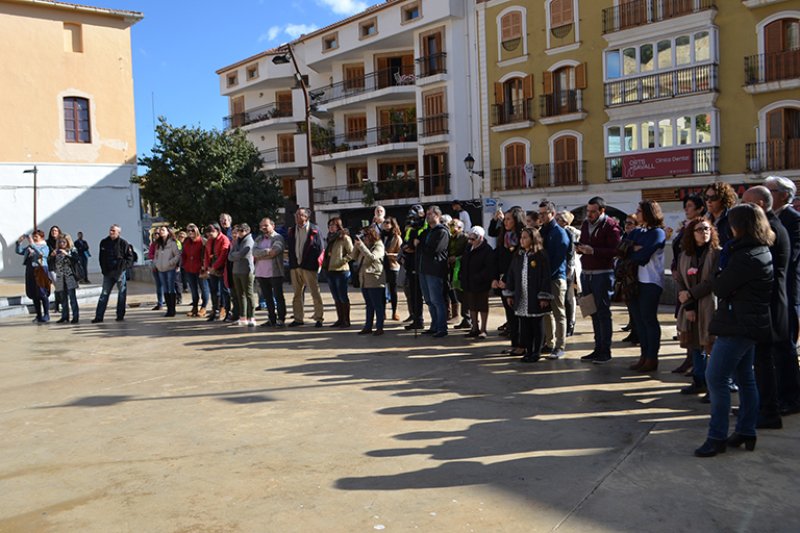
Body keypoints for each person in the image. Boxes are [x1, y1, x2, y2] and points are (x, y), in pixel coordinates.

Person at [695, 204, 774, 457]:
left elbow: (720, 287)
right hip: (747, 322)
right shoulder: (758, 249)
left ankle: (716, 436)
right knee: (745, 378)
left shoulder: (745, 256)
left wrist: (719, 273)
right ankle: (746, 431)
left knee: (716, 378)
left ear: (738, 226)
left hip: (738, 324)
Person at [742, 186, 790, 430]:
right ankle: (762, 406)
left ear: (759, 204)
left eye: (745, 203)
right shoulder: (770, 226)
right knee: (761, 360)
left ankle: (769, 411)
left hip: (769, 305)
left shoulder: (771, 230)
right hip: (766, 304)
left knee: (765, 361)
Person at [764, 175, 800, 416]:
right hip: (771, 292)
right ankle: (774, 395)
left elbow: (789, 258)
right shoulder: (771, 219)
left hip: (787, 291)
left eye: (771, 191)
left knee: (785, 346)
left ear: (784, 195)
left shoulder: (793, 220)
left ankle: (792, 397)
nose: (767, 195)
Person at [675, 218, 720, 395]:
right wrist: (688, 305)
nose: (704, 233)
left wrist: (690, 294)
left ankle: (713, 386)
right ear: (692, 234)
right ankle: (699, 381)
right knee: (695, 345)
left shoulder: (717, 253)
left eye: (707, 229)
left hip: (710, 305)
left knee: (711, 345)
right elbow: (680, 281)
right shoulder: (685, 255)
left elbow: (712, 281)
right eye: (699, 230)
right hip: (691, 307)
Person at [577, 197, 622, 364]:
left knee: (603, 313)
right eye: (588, 211)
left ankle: (605, 350)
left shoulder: (610, 226)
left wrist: (594, 251)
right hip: (586, 273)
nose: (589, 214)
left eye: (593, 211)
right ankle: (597, 348)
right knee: (593, 312)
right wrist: (580, 248)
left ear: (602, 210)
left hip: (602, 274)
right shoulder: (585, 224)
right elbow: (584, 242)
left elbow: (616, 250)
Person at [627, 200, 666, 373]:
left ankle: (652, 357)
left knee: (649, 320)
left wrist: (635, 249)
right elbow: (622, 249)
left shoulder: (658, 232)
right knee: (639, 321)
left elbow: (643, 256)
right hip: (635, 281)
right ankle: (643, 355)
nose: (636, 213)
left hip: (651, 281)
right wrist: (633, 248)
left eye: (639, 210)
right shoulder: (638, 231)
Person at [504, 227, 553, 362]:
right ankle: (528, 350)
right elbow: (511, 274)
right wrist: (510, 293)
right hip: (522, 296)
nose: (522, 240)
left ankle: (536, 352)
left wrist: (543, 296)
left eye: (525, 237)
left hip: (534, 296)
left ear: (533, 239)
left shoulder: (540, 255)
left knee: (536, 325)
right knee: (525, 325)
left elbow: (545, 276)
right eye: (521, 237)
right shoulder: (518, 255)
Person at [670, 194, 707, 373]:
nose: (686, 209)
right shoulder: (685, 227)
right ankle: (690, 359)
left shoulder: (703, 227)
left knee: (698, 324)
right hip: (683, 276)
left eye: (690, 206)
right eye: (685, 206)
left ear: (700, 208)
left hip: (697, 284)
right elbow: (678, 250)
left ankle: (697, 363)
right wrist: (675, 267)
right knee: (686, 321)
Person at [538, 200, 570, 359]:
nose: (541, 217)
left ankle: (560, 346)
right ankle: (548, 343)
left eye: (544, 214)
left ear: (553, 213)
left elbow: (559, 259)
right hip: (543, 278)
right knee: (545, 312)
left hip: (556, 278)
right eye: (540, 214)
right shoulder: (541, 231)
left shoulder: (559, 233)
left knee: (559, 313)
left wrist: (547, 276)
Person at [493, 206, 526, 355]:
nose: (505, 222)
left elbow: (516, 263)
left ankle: (522, 345)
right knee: (510, 315)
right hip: (503, 281)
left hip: (516, 281)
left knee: (519, 315)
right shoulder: (504, 236)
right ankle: (514, 344)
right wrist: (495, 278)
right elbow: (498, 257)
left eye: (508, 219)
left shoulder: (522, 238)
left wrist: (507, 279)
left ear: (516, 220)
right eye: (504, 219)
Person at [287, 207, 324, 327]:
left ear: (306, 217)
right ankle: (298, 318)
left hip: (309, 267)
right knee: (297, 294)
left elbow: (320, 248)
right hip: (295, 266)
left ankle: (319, 318)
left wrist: (317, 265)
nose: (297, 217)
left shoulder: (314, 230)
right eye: (296, 214)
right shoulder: (292, 230)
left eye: (300, 215)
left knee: (315, 293)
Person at [416, 205, 450, 337]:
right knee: (429, 300)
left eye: (430, 214)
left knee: (437, 300)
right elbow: (417, 242)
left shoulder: (442, 232)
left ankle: (442, 328)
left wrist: (420, 245)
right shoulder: (427, 231)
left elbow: (434, 250)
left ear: (437, 215)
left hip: (435, 270)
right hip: (423, 269)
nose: (427, 216)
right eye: (427, 214)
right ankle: (434, 325)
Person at [92, 224, 133, 323]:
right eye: (110, 230)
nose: (111, 232)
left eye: (113, 231)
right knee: (104, 294)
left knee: (122, 294)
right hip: (108, 273)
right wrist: (104, 270)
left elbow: (130, 258)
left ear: (118, 232)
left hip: (119, 273)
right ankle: (99, 316)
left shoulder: (123, 243)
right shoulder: (104, 242)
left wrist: (122, 267)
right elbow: (101, 258)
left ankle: (120, 315)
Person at [459, 226, 495, 339]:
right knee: (472, 306)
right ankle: (474, 327)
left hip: (481, 283)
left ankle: (483, 329)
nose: (471, 241)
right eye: (469, 238)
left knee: (482, 306)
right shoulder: (468, 248)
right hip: (469, 282)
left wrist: (478, 277)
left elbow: (489, 268)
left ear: (480, 238)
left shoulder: (487, 250)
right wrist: (462, 275)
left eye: (473, 239)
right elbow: (464, 262)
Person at [253, 217, 287, 328]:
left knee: (278, 297)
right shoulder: (259, 239)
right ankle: (271, 319)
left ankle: (281, 319)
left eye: (266, 225)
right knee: (267, 298)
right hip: (261, 273)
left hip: (275, 273)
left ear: (273, 226)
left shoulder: (278, 237)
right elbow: (254, 252)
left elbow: (275, 252)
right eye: (261, 226)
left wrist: (261, 255)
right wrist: (267, 252)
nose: (264, 228)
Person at [352, 226, 386, 335]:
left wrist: (361, 246)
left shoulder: (379, 245)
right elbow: (353, 256)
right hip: (364, 279)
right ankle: (368, 326)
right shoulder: (364, 246)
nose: (364, 238)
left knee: (377, 305)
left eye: (365, 236)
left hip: (375, 279)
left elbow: (372, 257)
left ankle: (379, 327)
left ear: (371, 235)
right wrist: (356, 245)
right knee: (369, 305)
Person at [323, 217, 354, 328]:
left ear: (338, 226)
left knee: (342, 296)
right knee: (336, 296)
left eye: (333, 225)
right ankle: (340, 319)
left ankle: (346, 320)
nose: (331, 227)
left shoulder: (344, 237)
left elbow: (352, 253)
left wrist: (341, 261)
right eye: (329, 225)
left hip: (341, 270)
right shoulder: (329, 238)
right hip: (330, 270)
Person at [401, 204, 427, 330]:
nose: (412, 220)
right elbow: (405, 241)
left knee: (425, 295)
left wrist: (412, 246)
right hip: (410, 263)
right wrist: (405, 247)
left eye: (414, 217)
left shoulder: (425, 226)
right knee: (413, 294)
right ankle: (417, 319)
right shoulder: (409, 228)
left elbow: (421, 242)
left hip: (421, 263)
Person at [16, 230, 51, 323]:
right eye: (33, 236)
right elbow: (19, 251)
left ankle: (46, 314)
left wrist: (33, 245)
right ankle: (38, 315)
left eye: (36, 236)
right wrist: (19, 242)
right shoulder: (30, 247)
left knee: (42, 292)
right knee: (34, 293)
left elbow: (42, 255)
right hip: (30, 269)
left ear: (41, 237)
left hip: (40, 269)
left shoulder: (44, 246)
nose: (34, 238)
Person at [557, 210, 581, 337]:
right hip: (562, 267)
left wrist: (569, 269)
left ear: (565, 222)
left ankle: (570, 323)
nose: (556, 221)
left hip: (569, 269)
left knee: (568, 297)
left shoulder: (570, 232)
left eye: (559, 219)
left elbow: (571, 252)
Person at [228, 223, 257, 326]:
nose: (239, 233)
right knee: (240, 295)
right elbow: (229, 256)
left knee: (249, 294)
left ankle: (252, 317)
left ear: (247, 231)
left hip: (246, 271)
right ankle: (242, 317)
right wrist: (235, 255)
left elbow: (242, 253)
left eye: (241, 231)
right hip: (236, 270)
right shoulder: (237, 241)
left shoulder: (249, 241)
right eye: (238, 231)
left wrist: (235, 255)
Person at [203, 223, 230, 322]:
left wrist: (214, 267)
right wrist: (207, 267)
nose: (210, 234)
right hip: (212, 269)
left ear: (218, 231)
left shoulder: (224, 239)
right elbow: (206, 254)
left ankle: (226, 311)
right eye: (208, 232)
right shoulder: (209, 241)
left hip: (222, 269)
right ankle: (215, 310)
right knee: (214, 291)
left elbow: (223, 255)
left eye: (212, 232)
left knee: (225, 291)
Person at [447, 218, 471, 330]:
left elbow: (468, 253)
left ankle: (468, 318)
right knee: (457, 293)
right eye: (450, 225)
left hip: (462, 268)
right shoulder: (451, 238)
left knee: (464, 294)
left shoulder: (465, 238)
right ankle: (465, 318)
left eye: (453, 225)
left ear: (460, 227)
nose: (451, 227)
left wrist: (457, 258)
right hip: (453, 268)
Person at [181, 224, 209, 317]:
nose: (190, 232)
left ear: (196, 231)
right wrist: (184, 264)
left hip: (200, 269)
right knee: (193, 289)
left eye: (192, 230)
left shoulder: (203, 241)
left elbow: (206, 255)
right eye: (188, 231)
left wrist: (204, 266)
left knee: (204, 288)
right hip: (189, 268)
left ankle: (203, 307)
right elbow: (184, 254)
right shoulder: (186, 242)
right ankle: (195, 307)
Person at [153, 226, 181, 318]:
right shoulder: (158, 244)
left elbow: (177, 255)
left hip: (170, 269)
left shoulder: (172, 243)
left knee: (171, 288)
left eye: (163, 230)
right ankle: (169, 309)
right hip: (161, 269)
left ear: (168, 232)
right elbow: (156, 256)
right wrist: (156, 264)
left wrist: (170, 263)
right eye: (160, 230)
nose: (161, 231)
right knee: (165, 289)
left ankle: (172, 309)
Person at [53, 235, 80, 324]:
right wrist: (52, 256)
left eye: (64, 242)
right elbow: (52, 263)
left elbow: (76, 260)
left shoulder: (72, 250)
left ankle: (75, 317)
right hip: (60, 277)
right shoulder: (57, 251)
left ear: (68, 242)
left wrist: (67, 254)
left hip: (70, 276)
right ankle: (64, 316)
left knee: (72, 298)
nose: (62, 244)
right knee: (63, 298)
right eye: (60, 242)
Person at [381, 216, 403, 321]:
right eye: (384, 222)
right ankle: (382, 312)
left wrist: (389, 255)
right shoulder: (380, 236)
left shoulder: (396, 237)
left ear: (392, 224)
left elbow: (400, 253)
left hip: (392, 266)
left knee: (393, 290)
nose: (385, 224)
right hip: (381, 266)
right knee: (381, 291)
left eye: (388, 223)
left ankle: (394, 311)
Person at [704, 181, 737, 245]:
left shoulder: (732, 218)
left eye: (713, 198)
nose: (709, 201)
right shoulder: (704, 218)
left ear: (723, 199)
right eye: (706, 197)